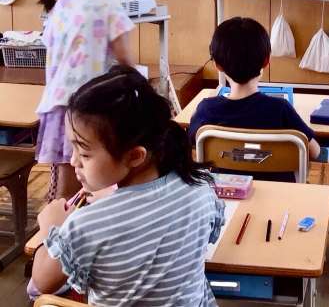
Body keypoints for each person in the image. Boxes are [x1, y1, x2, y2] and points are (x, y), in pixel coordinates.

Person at [31, 65, 224, 306]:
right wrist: (115, 202)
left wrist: (51, 229)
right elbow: (149, 218)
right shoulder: (200, 189)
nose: (73, 161)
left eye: (85, 153)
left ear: (134, 156)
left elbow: (42, 282)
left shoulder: (85, 225)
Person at [36, 0, 135, 200]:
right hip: (89, 106)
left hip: (56, 105)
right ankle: (70, 220)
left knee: (64, 176)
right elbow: (125, 61)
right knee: (92, 175)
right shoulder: (108, 6)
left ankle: (58, 217)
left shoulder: (59, 7)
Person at [189, 17, 320, 182]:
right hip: (280, 194)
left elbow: (192, 140)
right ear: (266, 61)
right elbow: (315, 151)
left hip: (227, 192)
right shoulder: (280, 108)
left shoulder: (207, 109)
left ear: (217, 65)